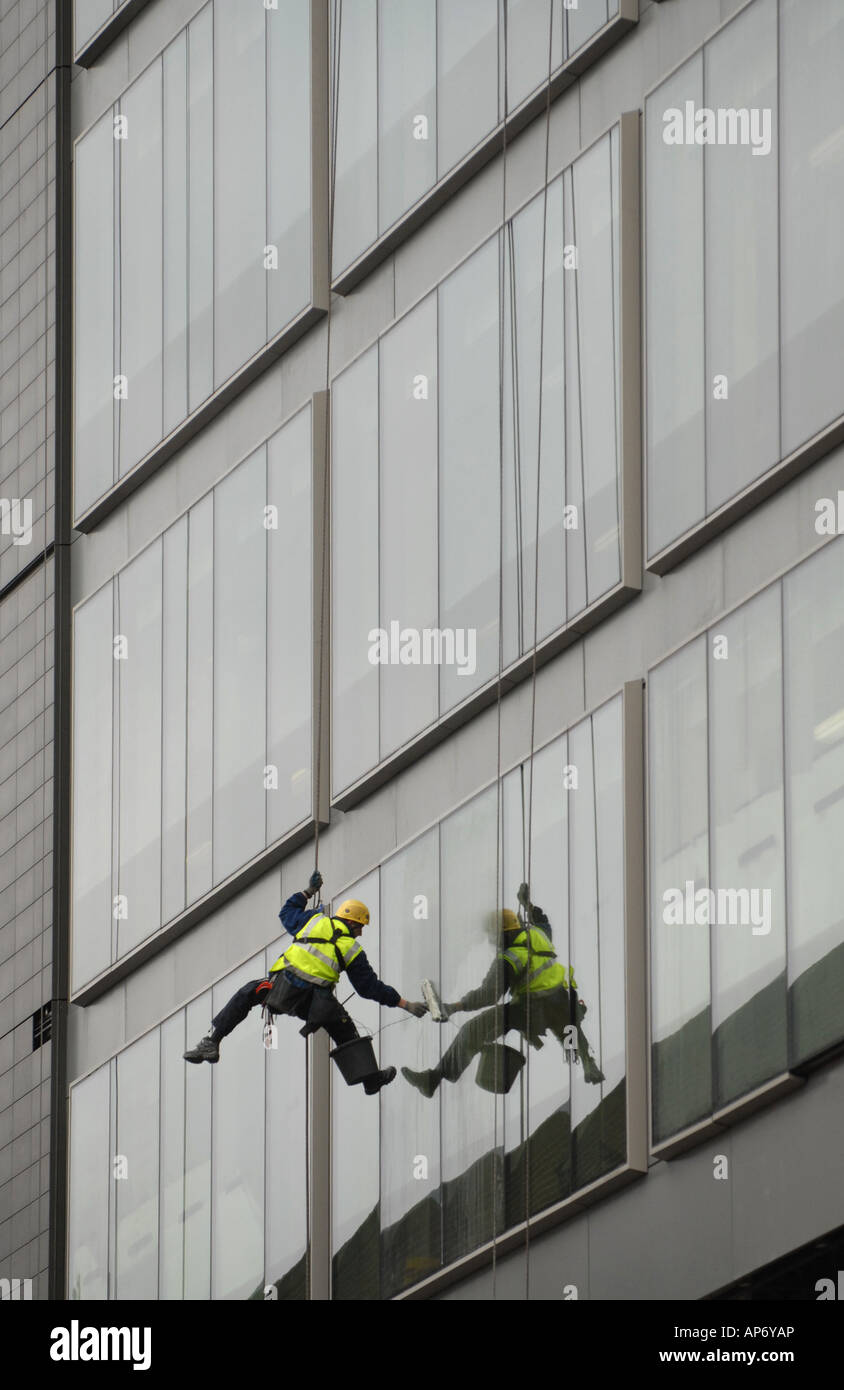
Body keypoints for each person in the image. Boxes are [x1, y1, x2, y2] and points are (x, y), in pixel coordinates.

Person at [184, 871, 427, 1095]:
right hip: (313, 1003)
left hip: (281, 989)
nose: (361, 933)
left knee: (248, 993)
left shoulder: (314, 920)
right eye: (360, 927)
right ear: (352, 923)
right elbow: (368, 988)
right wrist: (405, 1004)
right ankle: (370, 1079)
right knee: (344, 1027)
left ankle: (212, 1041)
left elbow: (286, 914)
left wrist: (307, 892)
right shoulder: (351, 948)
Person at [402, 887, 604, 1097]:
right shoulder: (538, 935)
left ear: (503, 934)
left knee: (472, 1031)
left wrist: (454, 1007)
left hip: (531, 1010)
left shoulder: (509, 959)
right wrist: (527, 904)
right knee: (571, 1031)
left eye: (493, 936)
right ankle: (589, 1065)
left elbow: (488, 995)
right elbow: (542, 921)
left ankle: (433, 1079)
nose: (492, 941)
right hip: (560, 1001)